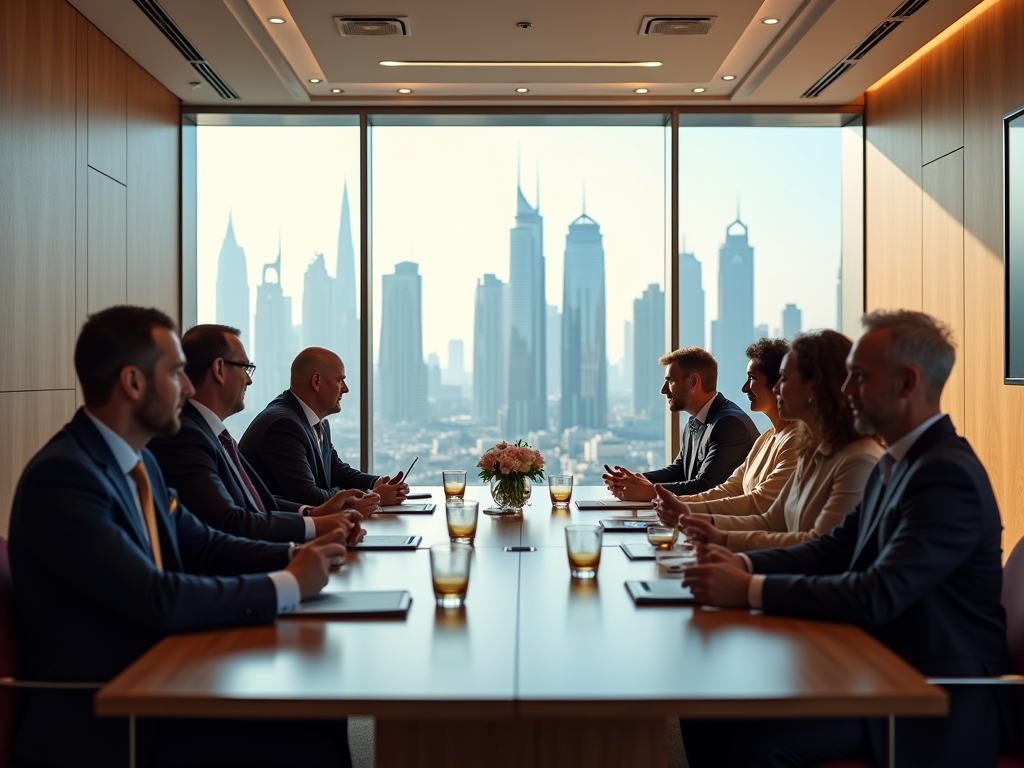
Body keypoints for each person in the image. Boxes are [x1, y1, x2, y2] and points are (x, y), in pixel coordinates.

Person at [8, 306, 355, 768]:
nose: (190, 388)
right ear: (133, 383)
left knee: (322, 713)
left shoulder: (140, 462)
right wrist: (287, 585)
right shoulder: (66, 477)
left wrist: (299, 554)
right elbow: (155, 595)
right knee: (310, 742)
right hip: (112, 712)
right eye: (176, 374)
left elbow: (205, 544)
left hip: (164, 673)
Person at [671, 310, 1011, 768]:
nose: (845, 389)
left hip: (928, 691)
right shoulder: (899, 460)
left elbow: (879, 592)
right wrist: (745, 566)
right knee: (708, 707)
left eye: (859, 377)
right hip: (876, 664)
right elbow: (835, 548)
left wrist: (749, 587)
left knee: (752, 741)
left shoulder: (946, 476)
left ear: (906, 383)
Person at [149, 324, 377, 544]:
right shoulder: (187, 437)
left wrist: (312, 514)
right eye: (245, 368)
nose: (249, 379)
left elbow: (260, 500)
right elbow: (229, 523)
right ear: (219, 369)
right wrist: (309, 534)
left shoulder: (216, 434)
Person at [659, 330, 883, 552]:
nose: (777, 388)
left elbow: (818, 549)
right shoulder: (805, 448)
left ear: (815, 387)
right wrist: (696, 519)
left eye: (784, 379)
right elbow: (770, 520)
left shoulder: (854, 458)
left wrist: (697, 520)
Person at [240, 348, 409, 508]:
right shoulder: (283, 425)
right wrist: (372, 497)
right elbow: (310, 498)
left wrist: (378, 483)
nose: (346, 388)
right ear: (316, 381)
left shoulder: (315, 421)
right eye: (340, 380)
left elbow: (336, 471)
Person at [656, 338, 803, 520]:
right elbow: (731, 487)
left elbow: (758, 503)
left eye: (752, 378)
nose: (744, 388)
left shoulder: (796, 441)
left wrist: (687, 510)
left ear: (778, 385)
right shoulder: (766, 439)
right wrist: (680, 502)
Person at [603, 347, 758, 500]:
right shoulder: (695, 420)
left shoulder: (729, 424)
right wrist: (631, 480)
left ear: (693, 382)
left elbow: (707, 487)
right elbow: (679, 471)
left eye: (670, 381)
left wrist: (651, 491)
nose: (663, 390)